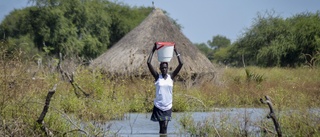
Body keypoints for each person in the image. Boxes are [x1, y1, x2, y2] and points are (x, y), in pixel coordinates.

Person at [147, 43, 183, 135]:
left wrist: (175, 50)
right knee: (161, 126)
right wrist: (153, 50)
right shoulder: (157, 77)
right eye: (162, 68)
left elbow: (181, 63)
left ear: (168, 68)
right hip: (159, 105)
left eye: (165, 68)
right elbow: (148, 63)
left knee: (165, 125)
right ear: (160, 68)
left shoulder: (171, 76)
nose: (164, 69)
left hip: (168, 106)